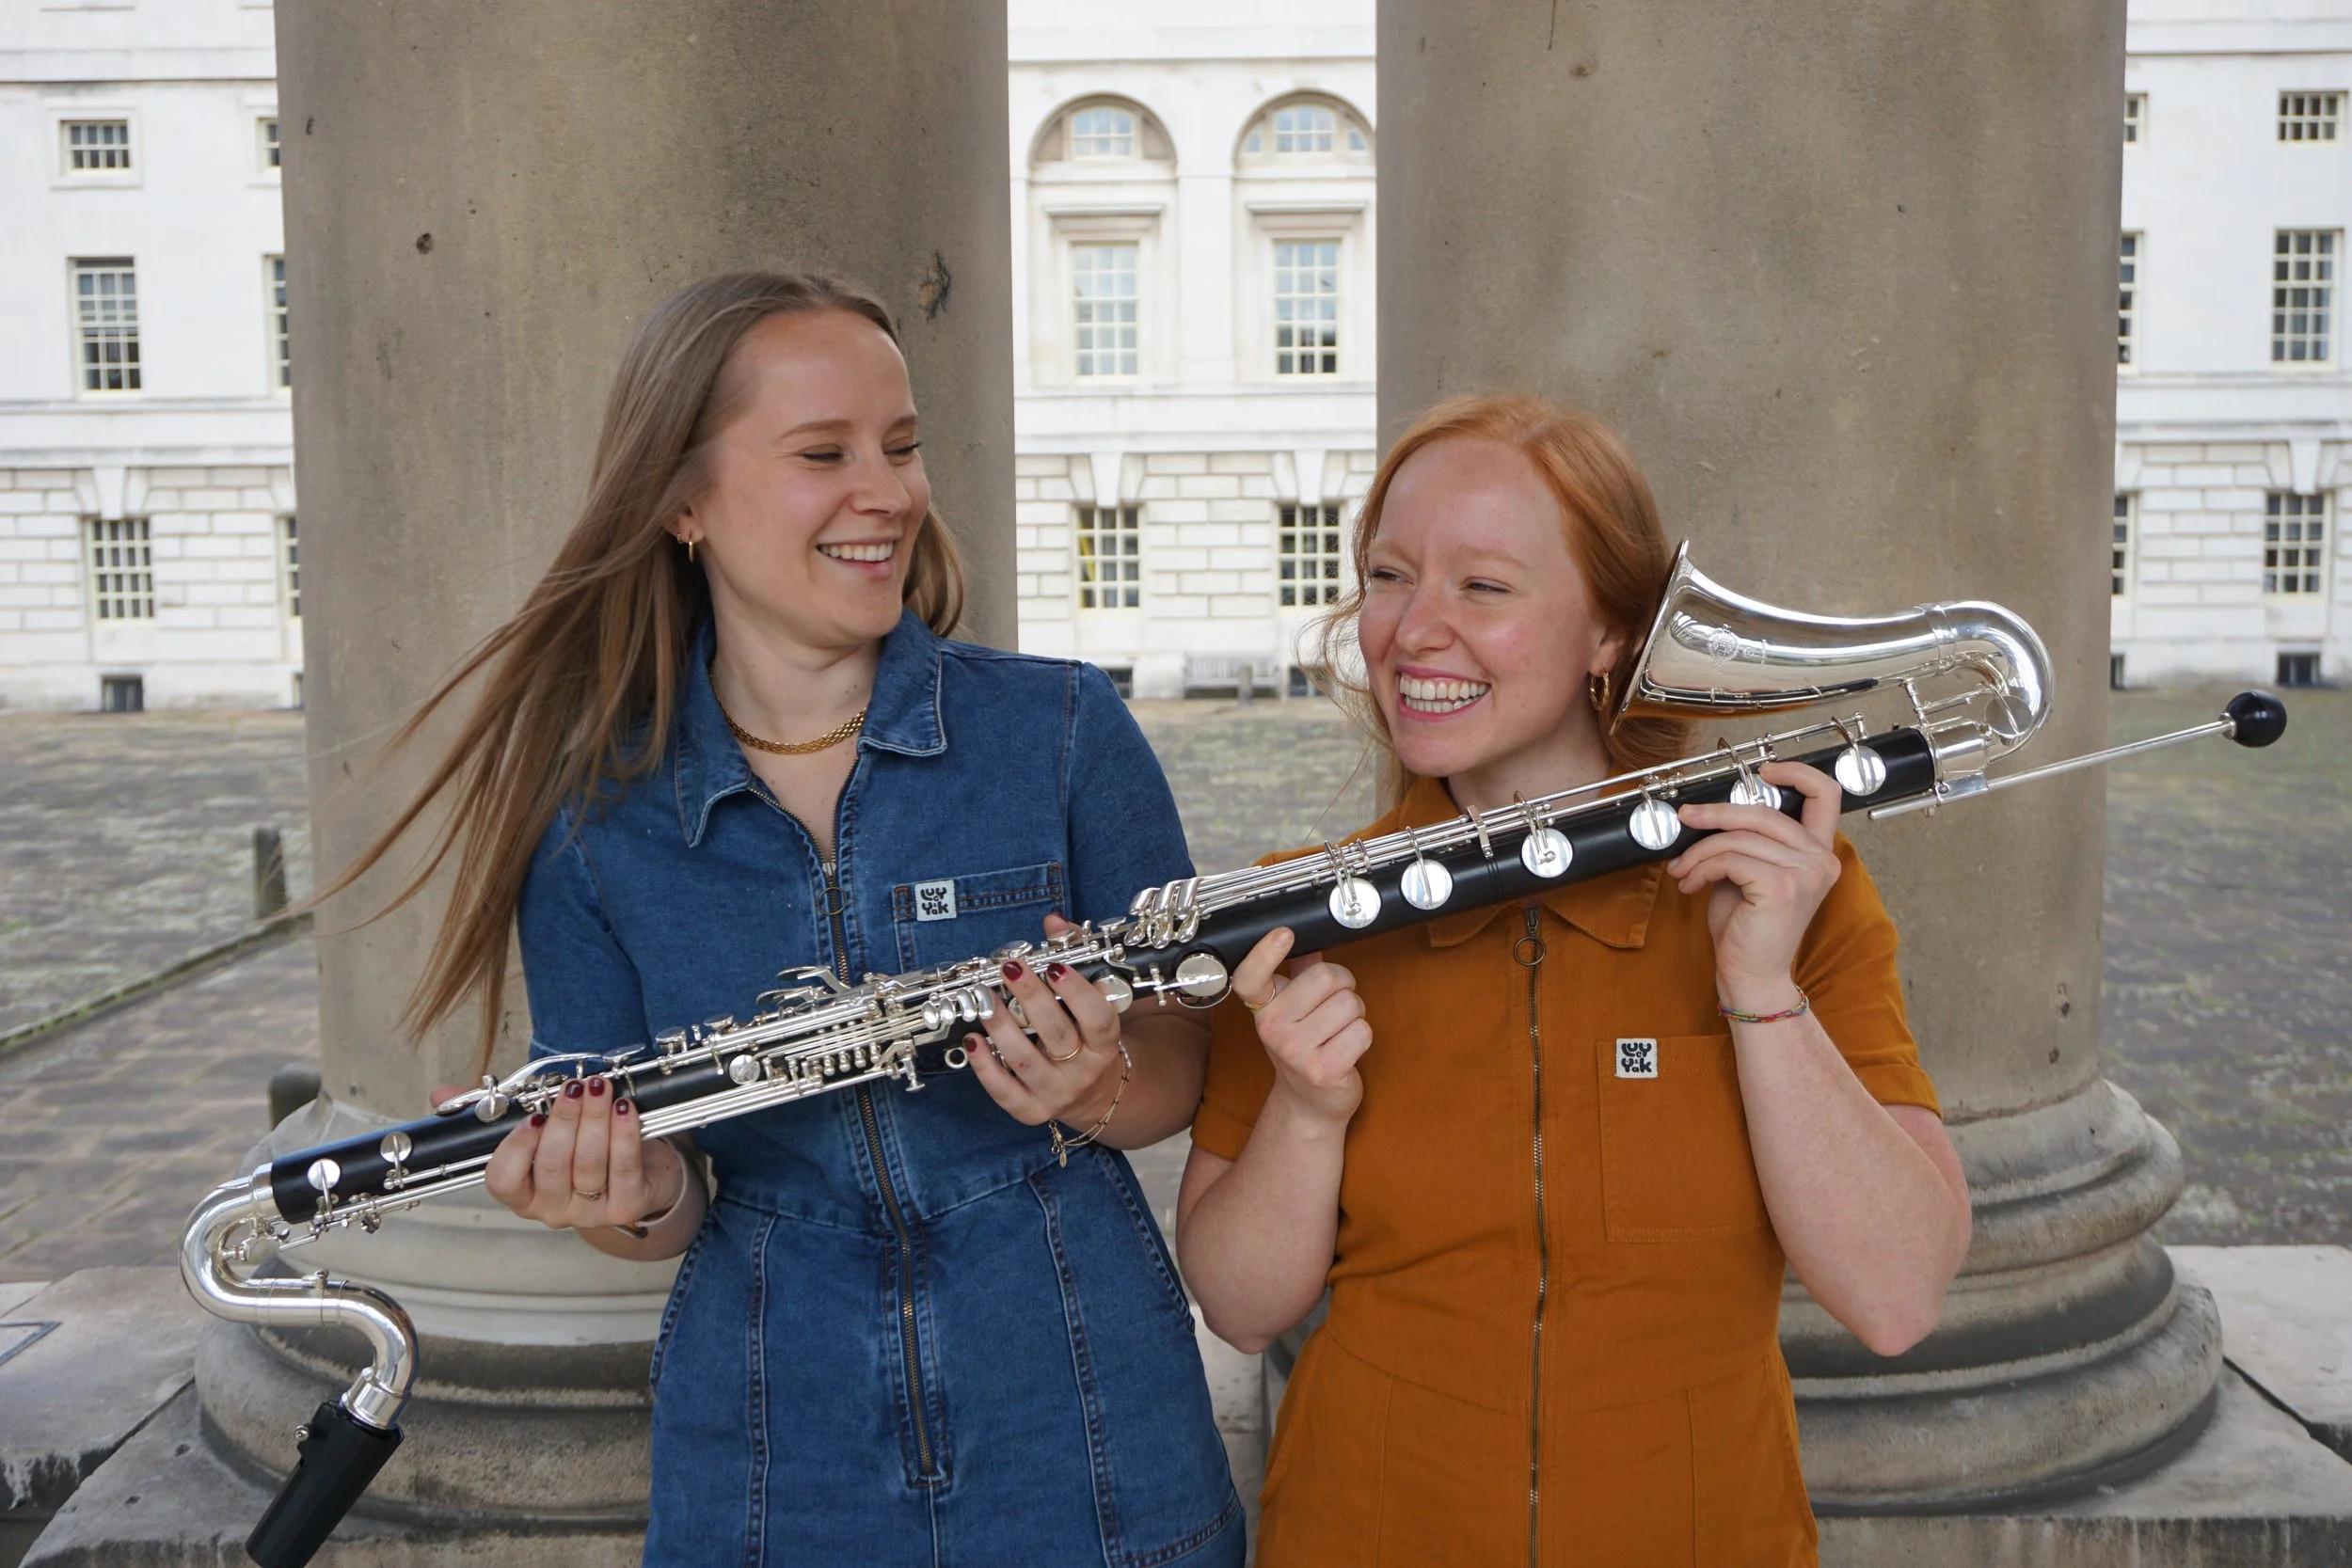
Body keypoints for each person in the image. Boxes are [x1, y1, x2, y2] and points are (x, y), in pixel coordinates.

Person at [329, 270, 1242, 1565]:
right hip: (773, 1436)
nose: (890, 491)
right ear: (682, 502)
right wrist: (623, 1187)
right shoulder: (596, 819)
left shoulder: (1061, 728)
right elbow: (657, 1206)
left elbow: (1179, 1076)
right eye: (824, 452)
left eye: (903, 445)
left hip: (1083, 1411)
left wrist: (1092, 1082)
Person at [1173, 395, 1974, 1564]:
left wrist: (1761, 990)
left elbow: (1897, 1296)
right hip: (1366, 1528)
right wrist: (1306, 1110)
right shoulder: (1302, 910)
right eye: (1391, 575)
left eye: (1484, 587)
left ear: (1611, 632)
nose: (1413, 629)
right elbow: (1240, 1306)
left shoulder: (1791, 889)